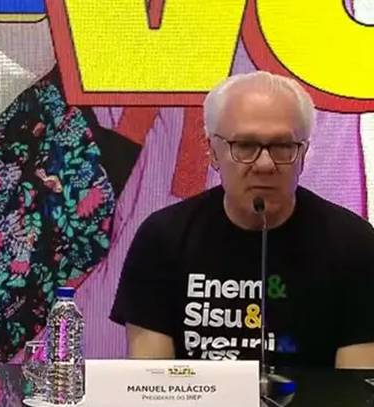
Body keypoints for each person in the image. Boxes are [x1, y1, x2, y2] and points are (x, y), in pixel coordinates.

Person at [110, 71, 374, 368]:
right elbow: (149, 380)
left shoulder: (354, 244)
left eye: (282, 146)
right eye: (246, 146)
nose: (265, 164)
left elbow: (357, 385)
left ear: (303, 153)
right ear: (212, 151)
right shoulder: (163, 238)